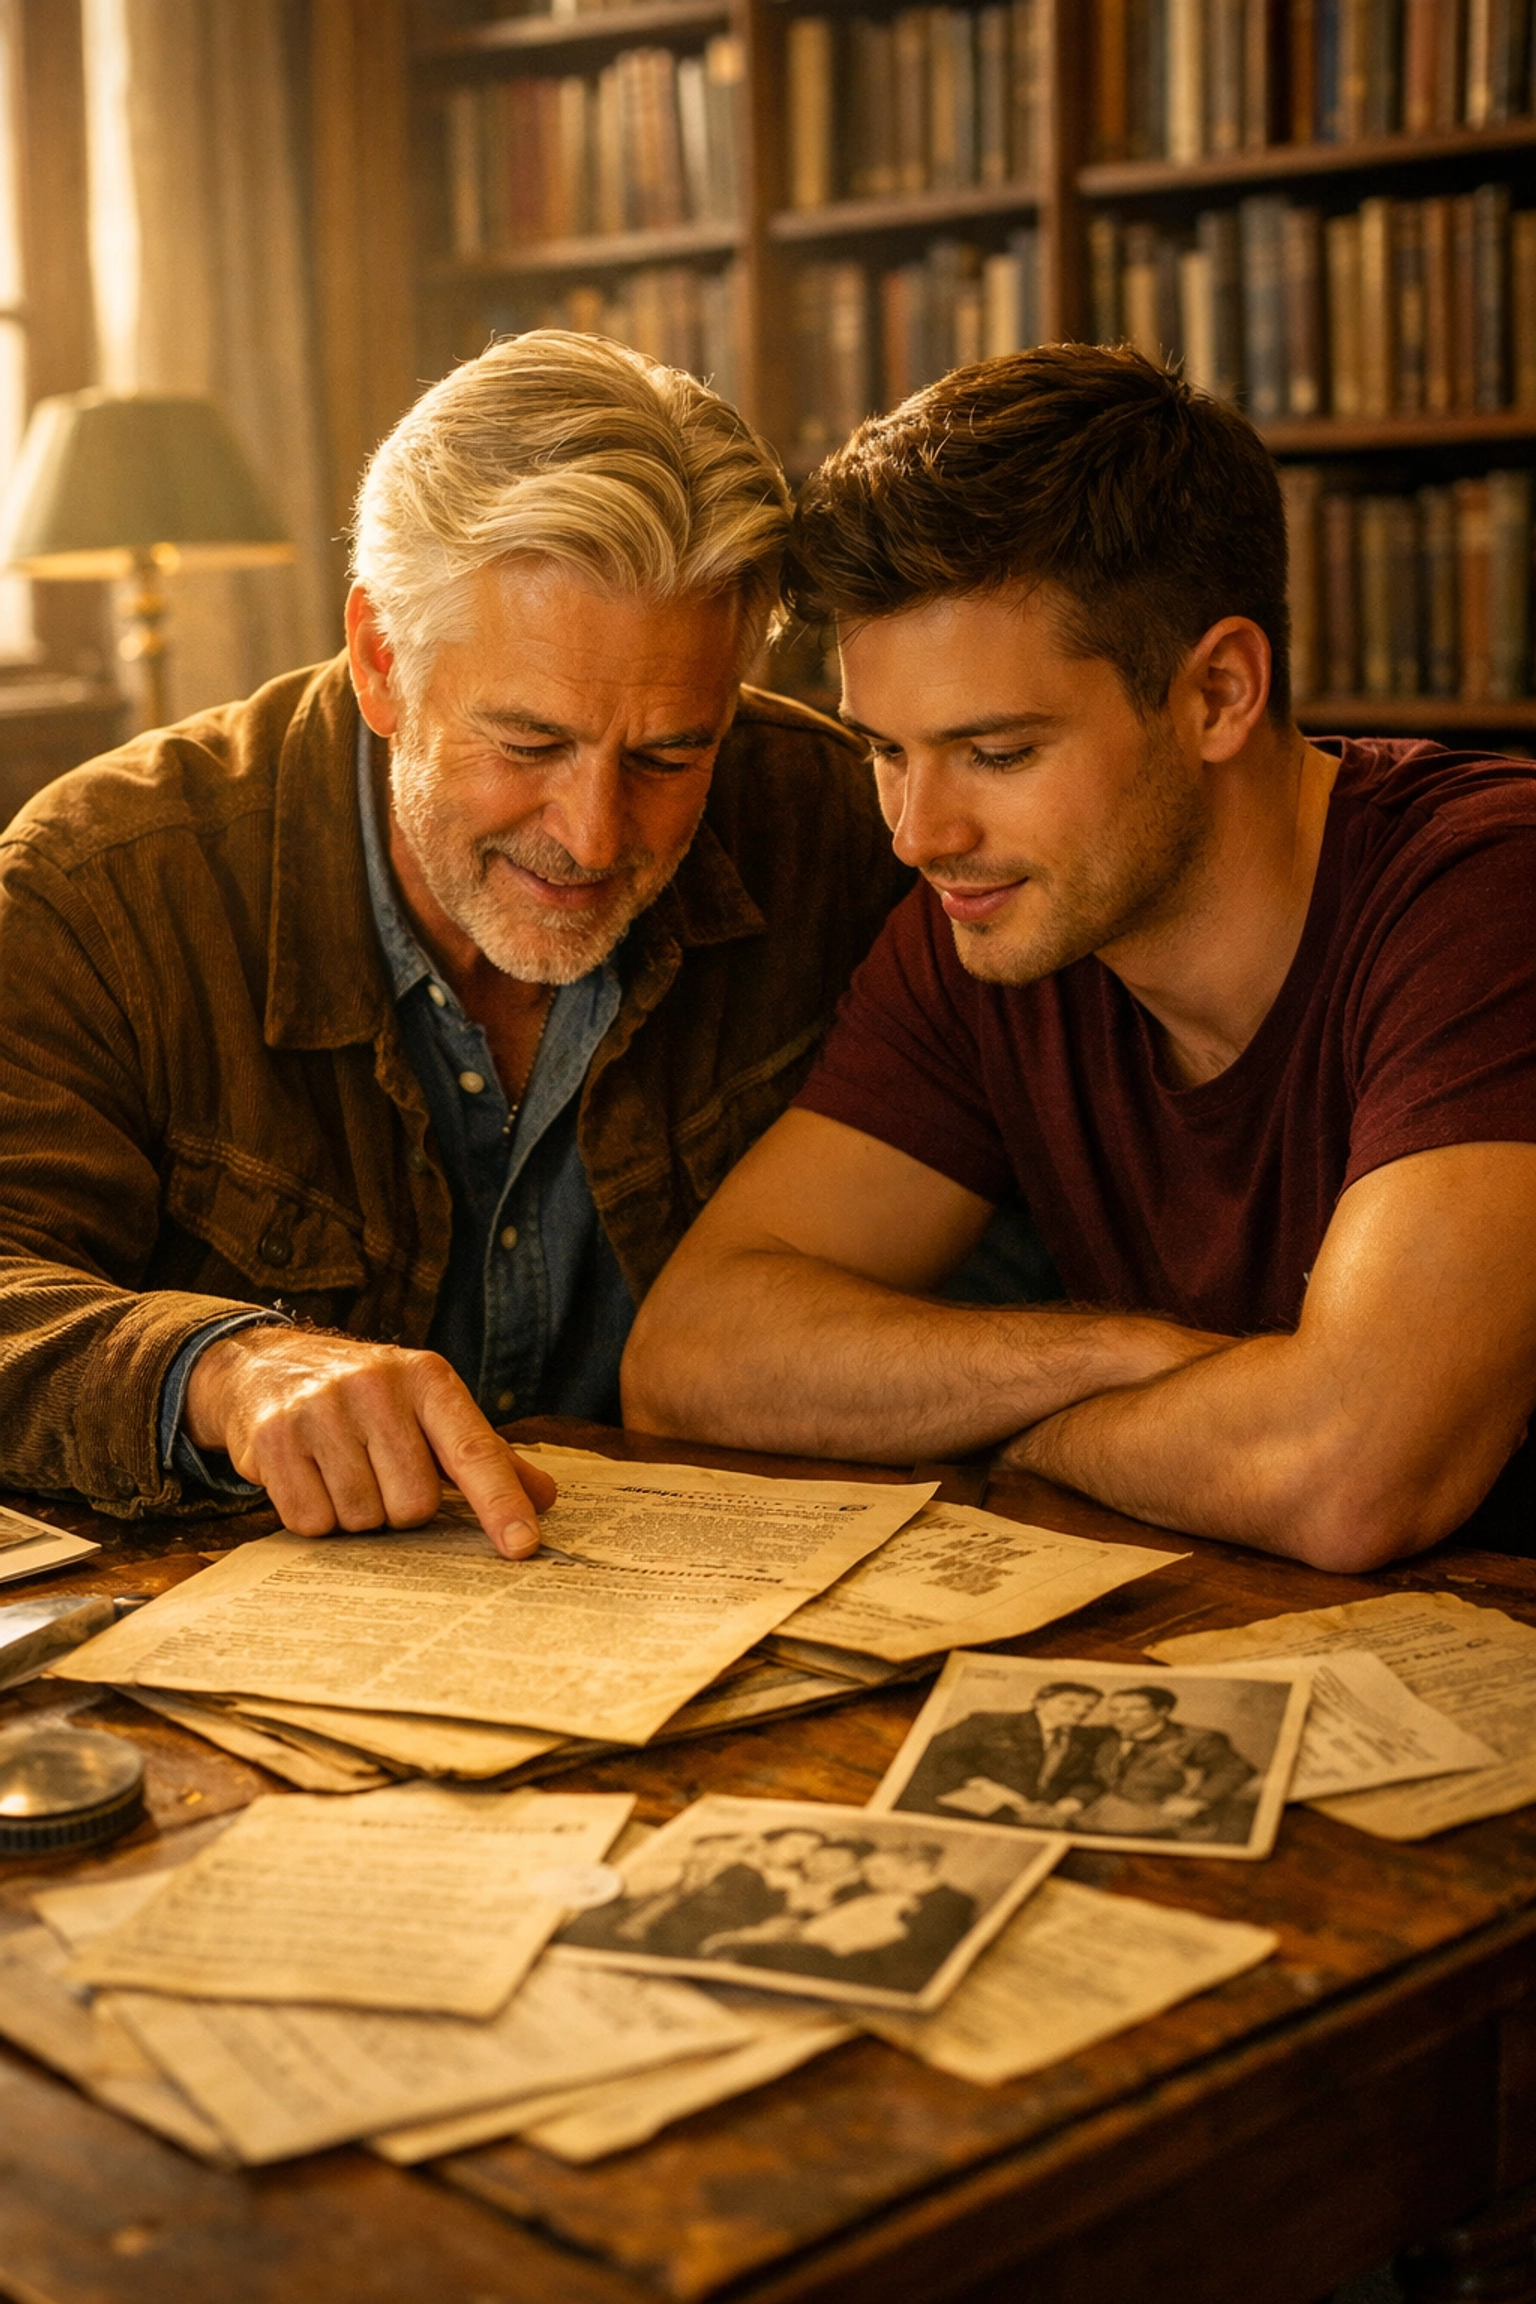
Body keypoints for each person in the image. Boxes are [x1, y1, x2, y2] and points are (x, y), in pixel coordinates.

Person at [624, 343, 1536, 1570]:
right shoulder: (989, 923)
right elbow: (687, 1358)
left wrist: (1013, 1436)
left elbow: (1348, 1472)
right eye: (887, 751)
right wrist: (1111, 1355)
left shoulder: (1487, 894)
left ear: (1219, 693)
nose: (918, 835)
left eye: (998, 754)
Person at [0, 331, 906, 1551]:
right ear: (382, 660)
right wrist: (224, 1370)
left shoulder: (843, 824)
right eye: (529, 744)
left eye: (668, 755)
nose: (593, 836)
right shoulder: (106, 884)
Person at [893, 1680, 1110, 1825]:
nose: (1081, 1711)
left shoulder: (1086, 1738)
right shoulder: (990, 1722)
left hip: (1039, 1819)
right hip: (969, 1810)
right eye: (1069, 1703)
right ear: (1040, 1702)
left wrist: (1067, 1806)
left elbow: (1091, 1779)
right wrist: (981, 1784)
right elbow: (935, 1754)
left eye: (1089, 1707)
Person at [1069, 1685, 1257, 1844]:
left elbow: (1235, 1769)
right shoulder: (1107, 1735)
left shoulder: (1197, 1739)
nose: (1121, 1716)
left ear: (1162, 1711)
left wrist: (1199, 1799)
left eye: (1135, 1709)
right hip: (1105, 1814)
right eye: (1114, 1710)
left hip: (1163, 1821)